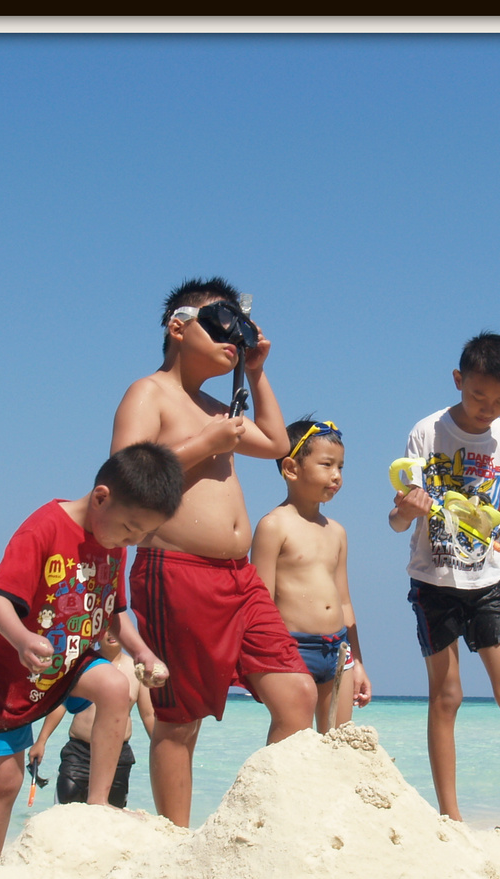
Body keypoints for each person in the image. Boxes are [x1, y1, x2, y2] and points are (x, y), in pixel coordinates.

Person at [110, 277, 317, 827]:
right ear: (178, 327)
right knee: (180, 721)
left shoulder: (214, 407)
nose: (235, 337)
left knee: (297, 696)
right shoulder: (148, 393)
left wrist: (257, 372)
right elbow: (128, 475)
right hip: (174, 572)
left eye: (241, 330)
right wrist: (207, 443)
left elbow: (276, 443)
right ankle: (179, 841)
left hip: (239, 576)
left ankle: (250, 825)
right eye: (221, 323)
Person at [0, 443, 182, 879]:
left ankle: (98, 803)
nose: (132, 541)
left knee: (115, 688)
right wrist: (22, 638)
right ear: (101, 497)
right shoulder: (45, 527)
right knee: (6, 780)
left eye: (142, 535)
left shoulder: (113, 539)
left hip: (67, 657)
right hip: (9, 665)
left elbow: (115, 610)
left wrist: (142, 651)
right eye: (129, 530)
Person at [390, 332, 500, 822]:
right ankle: (451, 817)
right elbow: (398, 521)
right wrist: (406, 510)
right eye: (479, 395)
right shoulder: (427, 432)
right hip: (433, 582)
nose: (488, 408)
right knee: (447, 695)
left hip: (488, 584)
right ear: (459, 380)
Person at [252, 417, 374, 731]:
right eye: (327, 465)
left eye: (341, 467)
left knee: (338, 742)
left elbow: (345, 603)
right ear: (291, 468)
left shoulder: (337, 532)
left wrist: (357, 661)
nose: (336, 476)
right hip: (292, 649)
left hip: (338, 651)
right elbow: (260, 602)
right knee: (290, 743)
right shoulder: (274, 525)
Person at [27, 630, 157, 808]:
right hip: (78, 752)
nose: (111, 635)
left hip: (117, 755)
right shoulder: (83, 664)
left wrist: (159, 749)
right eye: (107, 630)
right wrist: (41, 741)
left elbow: (148, 715)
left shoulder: (136, 669)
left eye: (116, 630)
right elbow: (61, 704)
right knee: (65, 812)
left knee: (110, 817)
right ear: (98, 633)